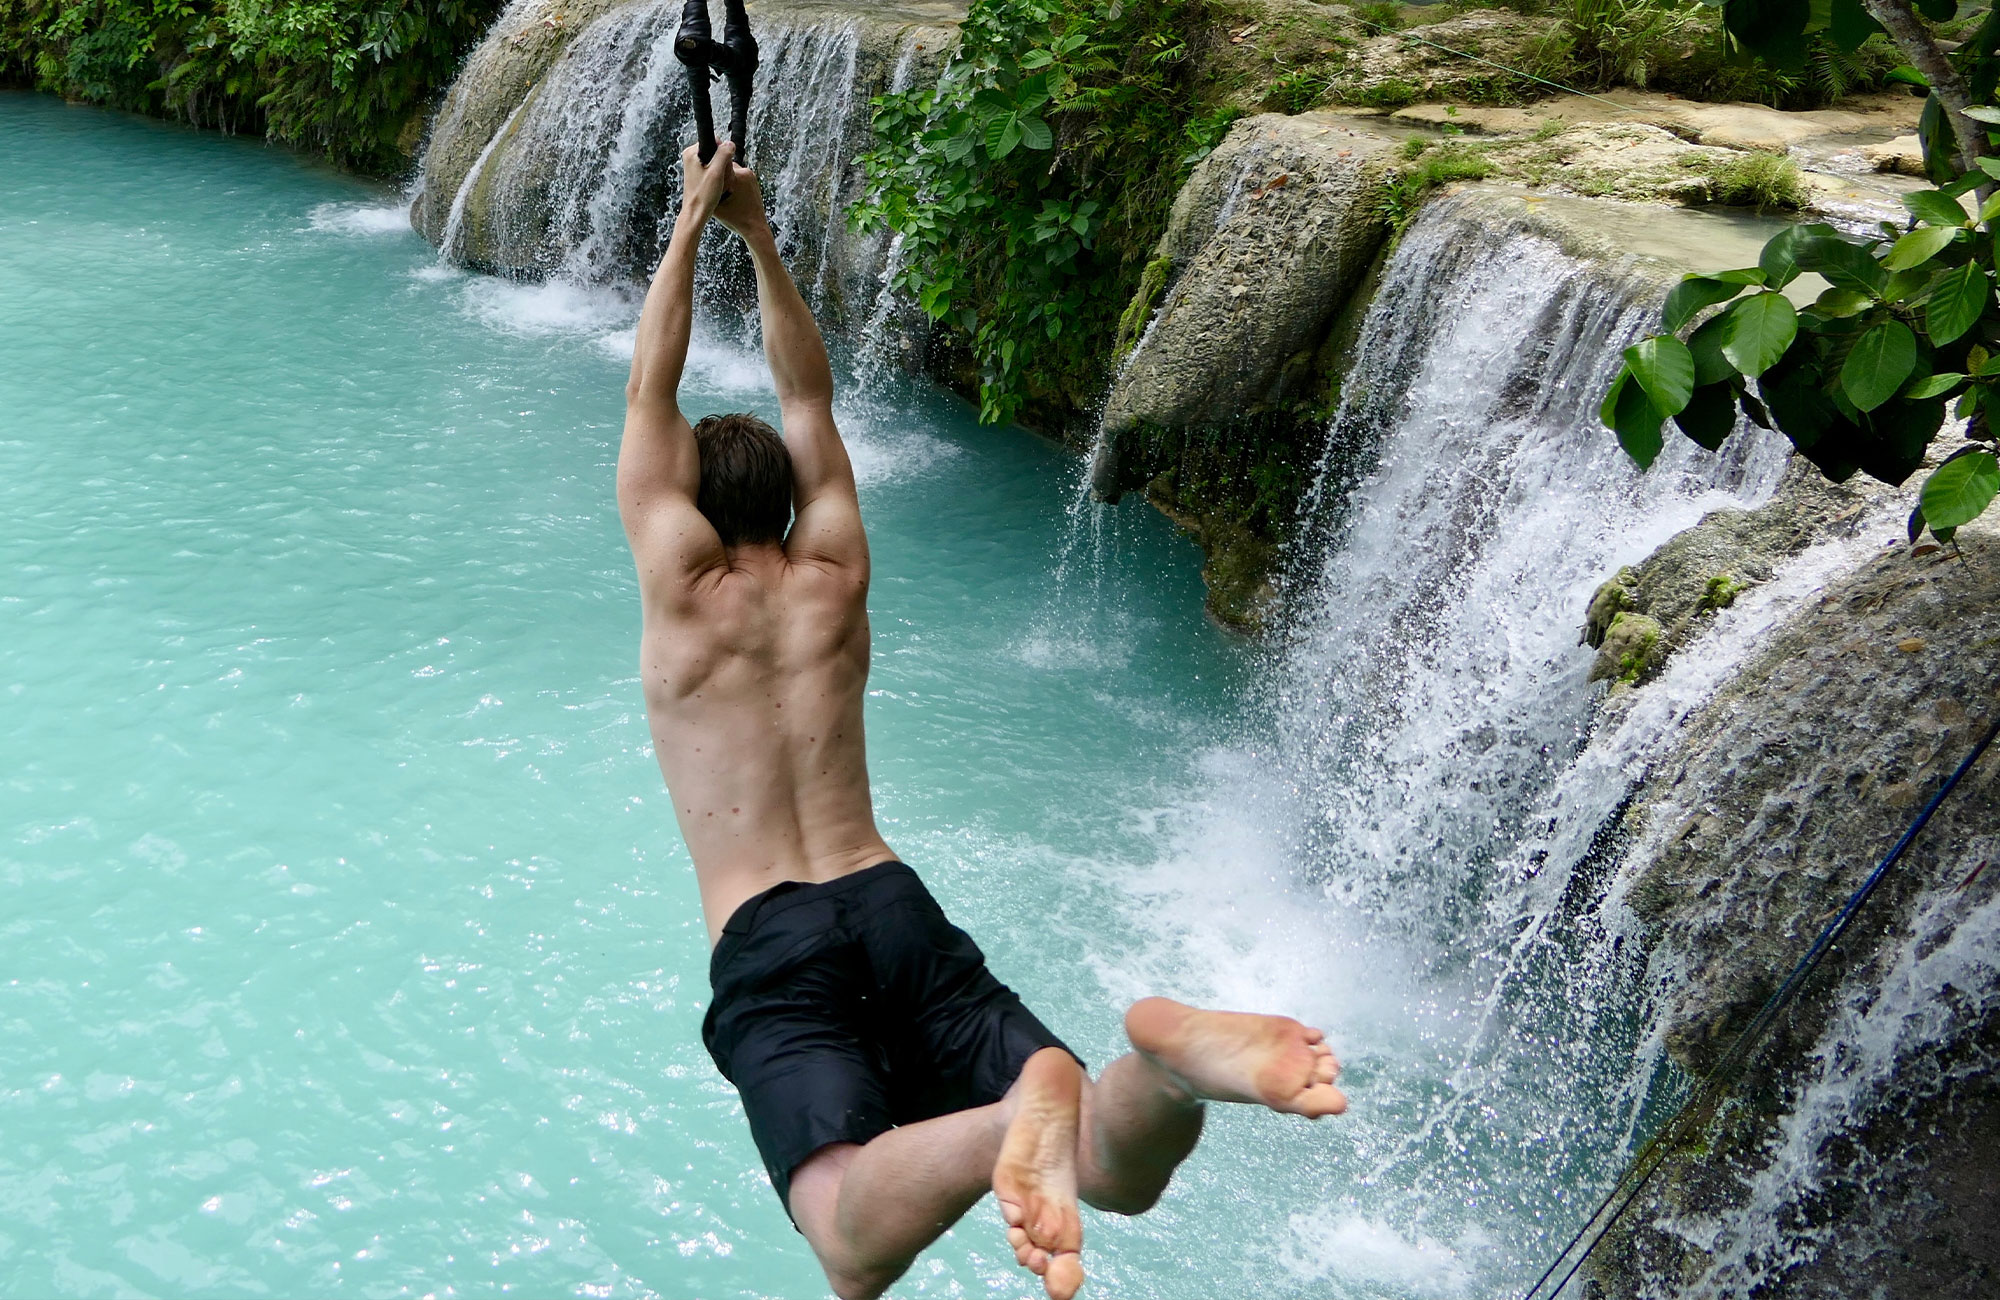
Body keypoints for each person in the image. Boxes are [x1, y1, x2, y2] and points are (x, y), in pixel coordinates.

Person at [617, 141, 1349, 1300]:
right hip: (889, 897)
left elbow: (647, 394)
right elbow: (805, 394)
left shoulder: (681, 589)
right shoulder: (835, 573)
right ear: (789, 504)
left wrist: (685, 226)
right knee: (1109, 1169)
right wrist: (754, 236)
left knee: (850, 1245)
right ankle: (1164, 1067)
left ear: (694, 511)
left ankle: (1011, 1115)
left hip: (769, 934)